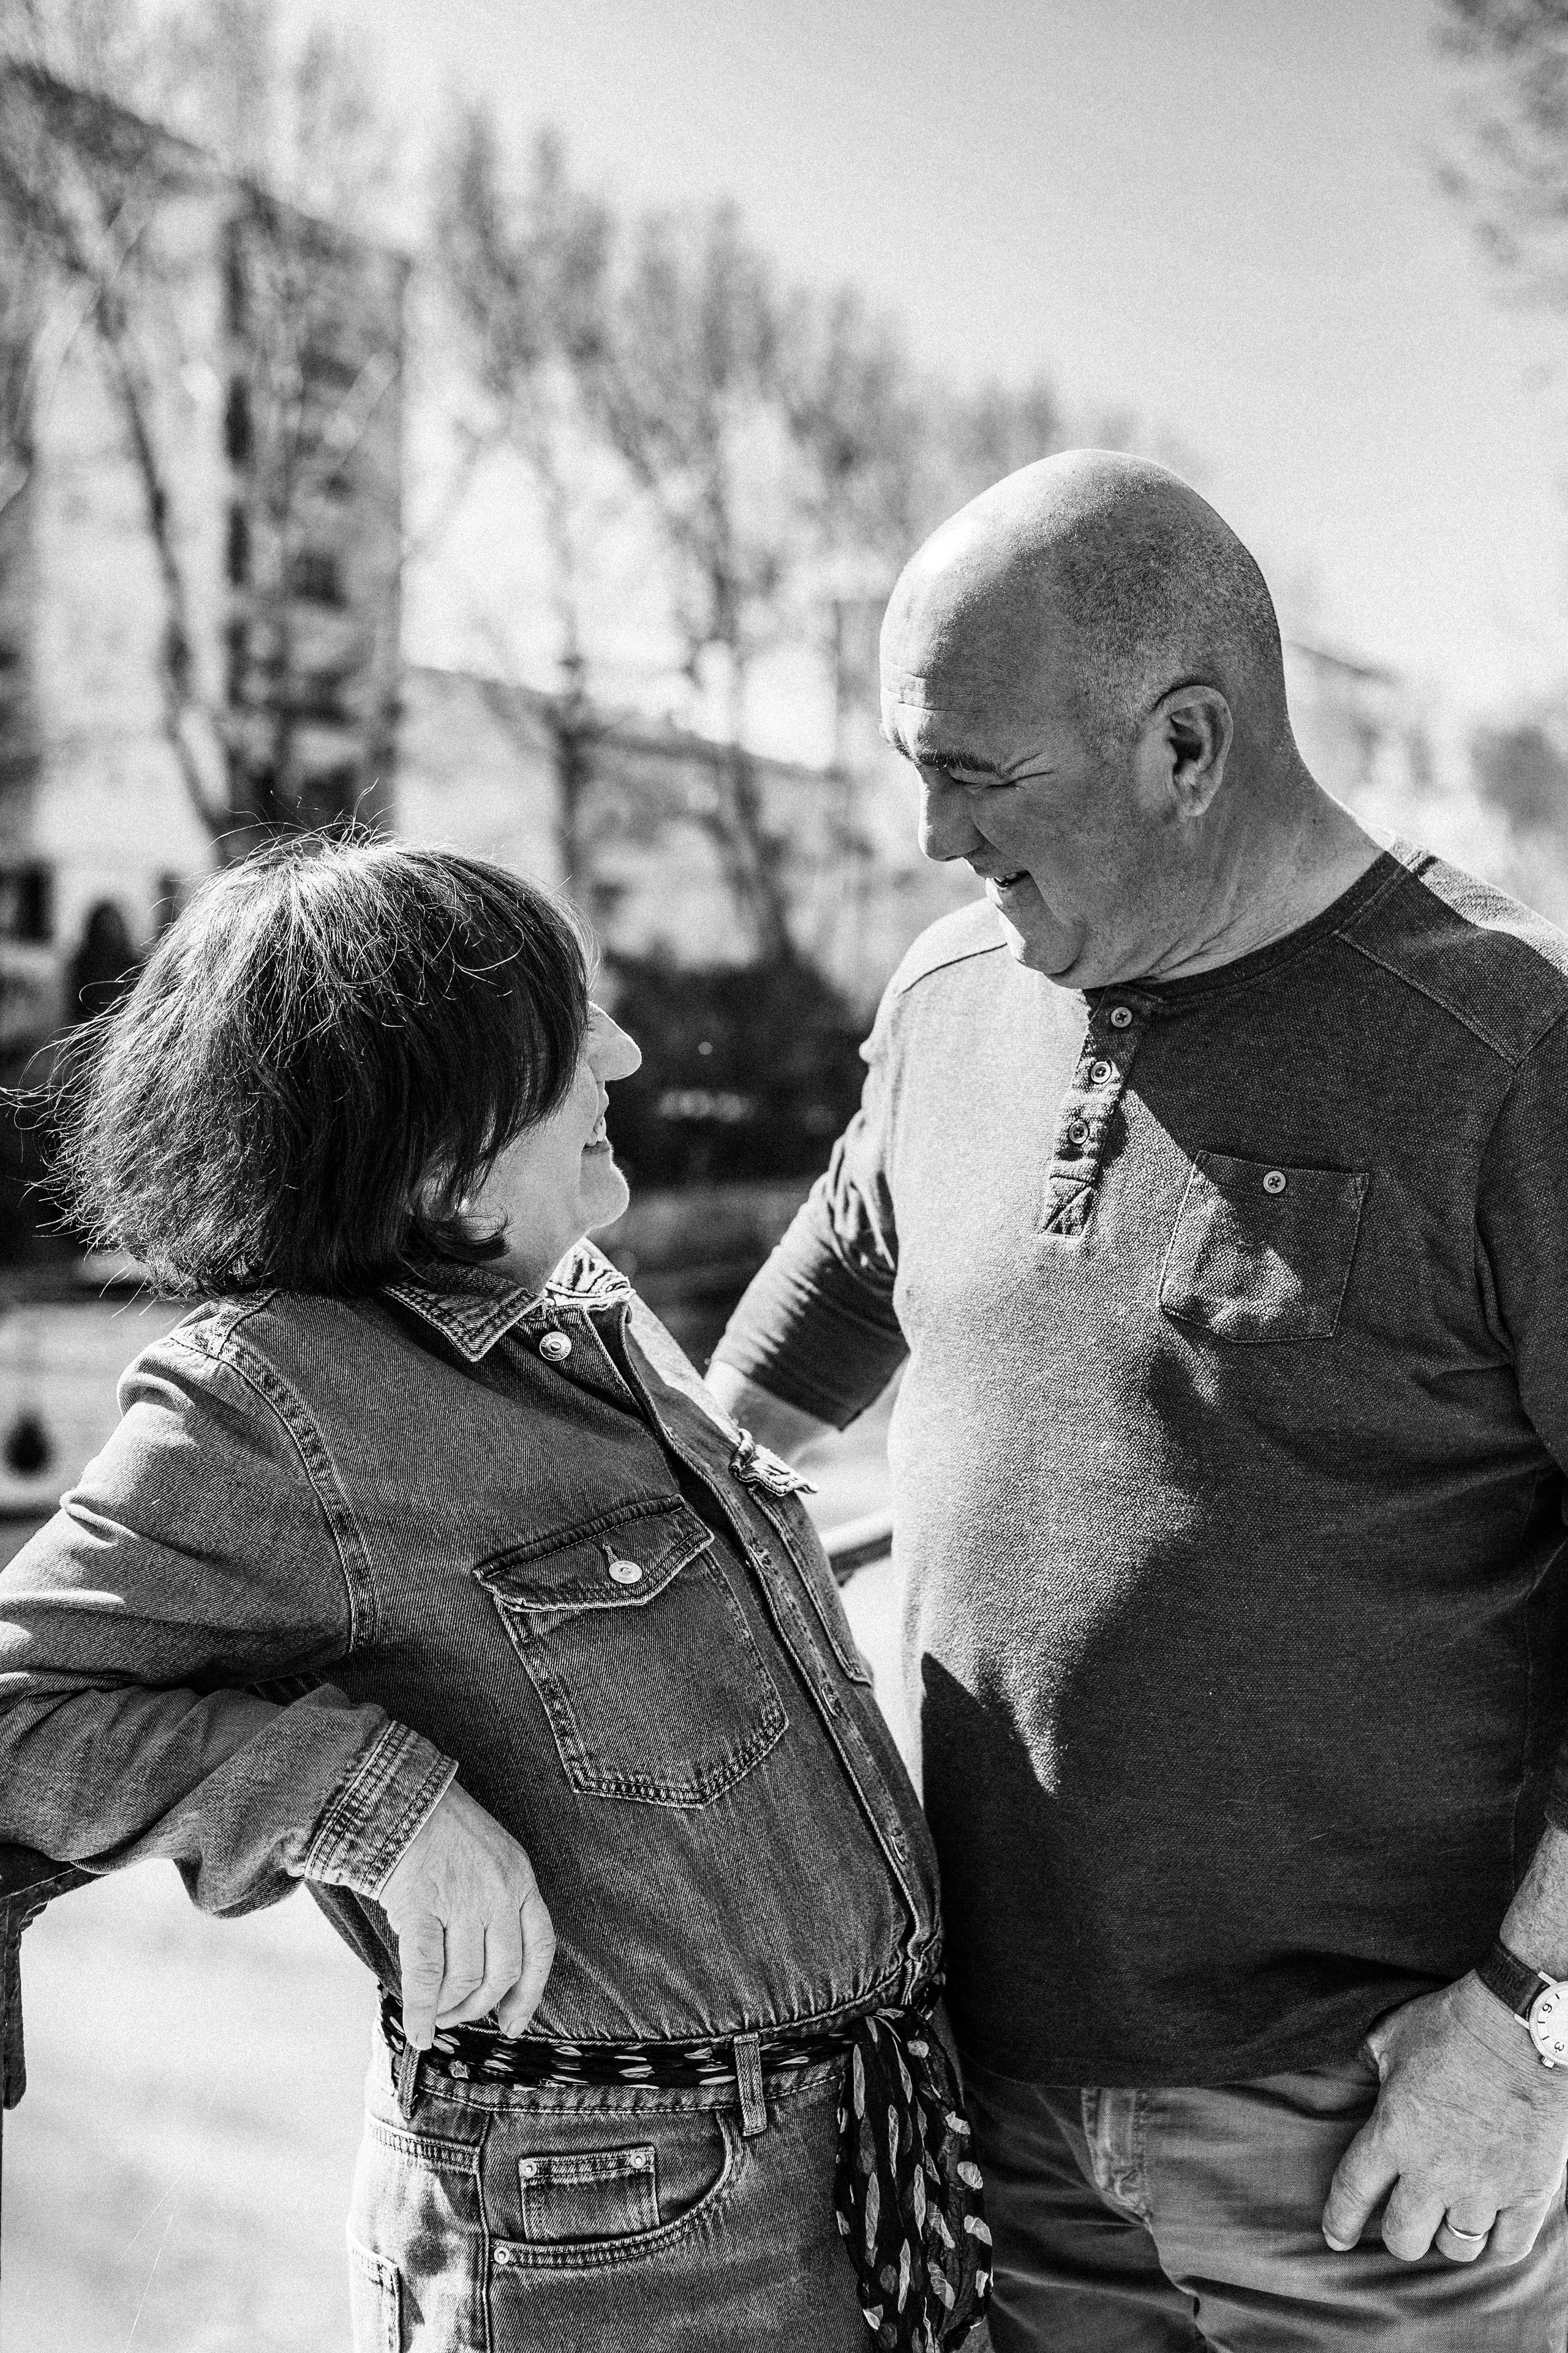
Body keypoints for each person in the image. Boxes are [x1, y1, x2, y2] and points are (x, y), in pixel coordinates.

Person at [708, 448, 1568, 2351]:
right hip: (992, 2111)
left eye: (973, 771)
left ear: (1190, 742)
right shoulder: (950, 997)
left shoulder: (1515, 1050)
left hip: (1372, 2145)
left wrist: (1532, 2028)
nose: (933, 835)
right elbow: (753, 1400)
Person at [0, 839, 989, 2353]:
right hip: (613, 2246)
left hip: (852, 2172)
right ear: (433, 1138)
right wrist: (367, 1804)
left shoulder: (579, 1302)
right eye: (566, 1028)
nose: (626, 1051)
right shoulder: (266, 1400)